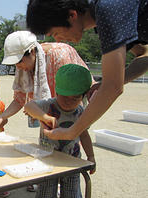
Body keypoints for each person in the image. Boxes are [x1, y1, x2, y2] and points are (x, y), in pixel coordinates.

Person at [0, 31, 93, 192]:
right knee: (48, 136)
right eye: (15, 63)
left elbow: (68, 94)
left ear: (33, 52)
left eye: (20, 61)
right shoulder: (24, 68)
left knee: (68, 137)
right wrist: (2, 116)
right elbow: (20, 100)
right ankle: (47, 174)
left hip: (72, 95)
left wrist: (45, 112)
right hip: (52, 103)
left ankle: (61, 176)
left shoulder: (59, 56)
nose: (18, 66)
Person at [26, 0, 148, 141]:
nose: (58, 39)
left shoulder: (109, 8)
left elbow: (113, 87)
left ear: (72, 15)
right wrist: (105, 83)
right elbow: (144, 55)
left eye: (56, 33)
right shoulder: (107, 15)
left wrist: (72, 132)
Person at [24, 64, 96, 198]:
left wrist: (91, 155)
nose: (69, 102)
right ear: (57, 91)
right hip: (48, 161)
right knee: (46, 193)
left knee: (72, 194)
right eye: (64, 96)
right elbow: (28, 106)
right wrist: (45, 117)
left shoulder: (81, 112)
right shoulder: (49, 106)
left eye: (75, 98)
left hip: (72, 162)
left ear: (83, 96)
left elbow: (84, 135)